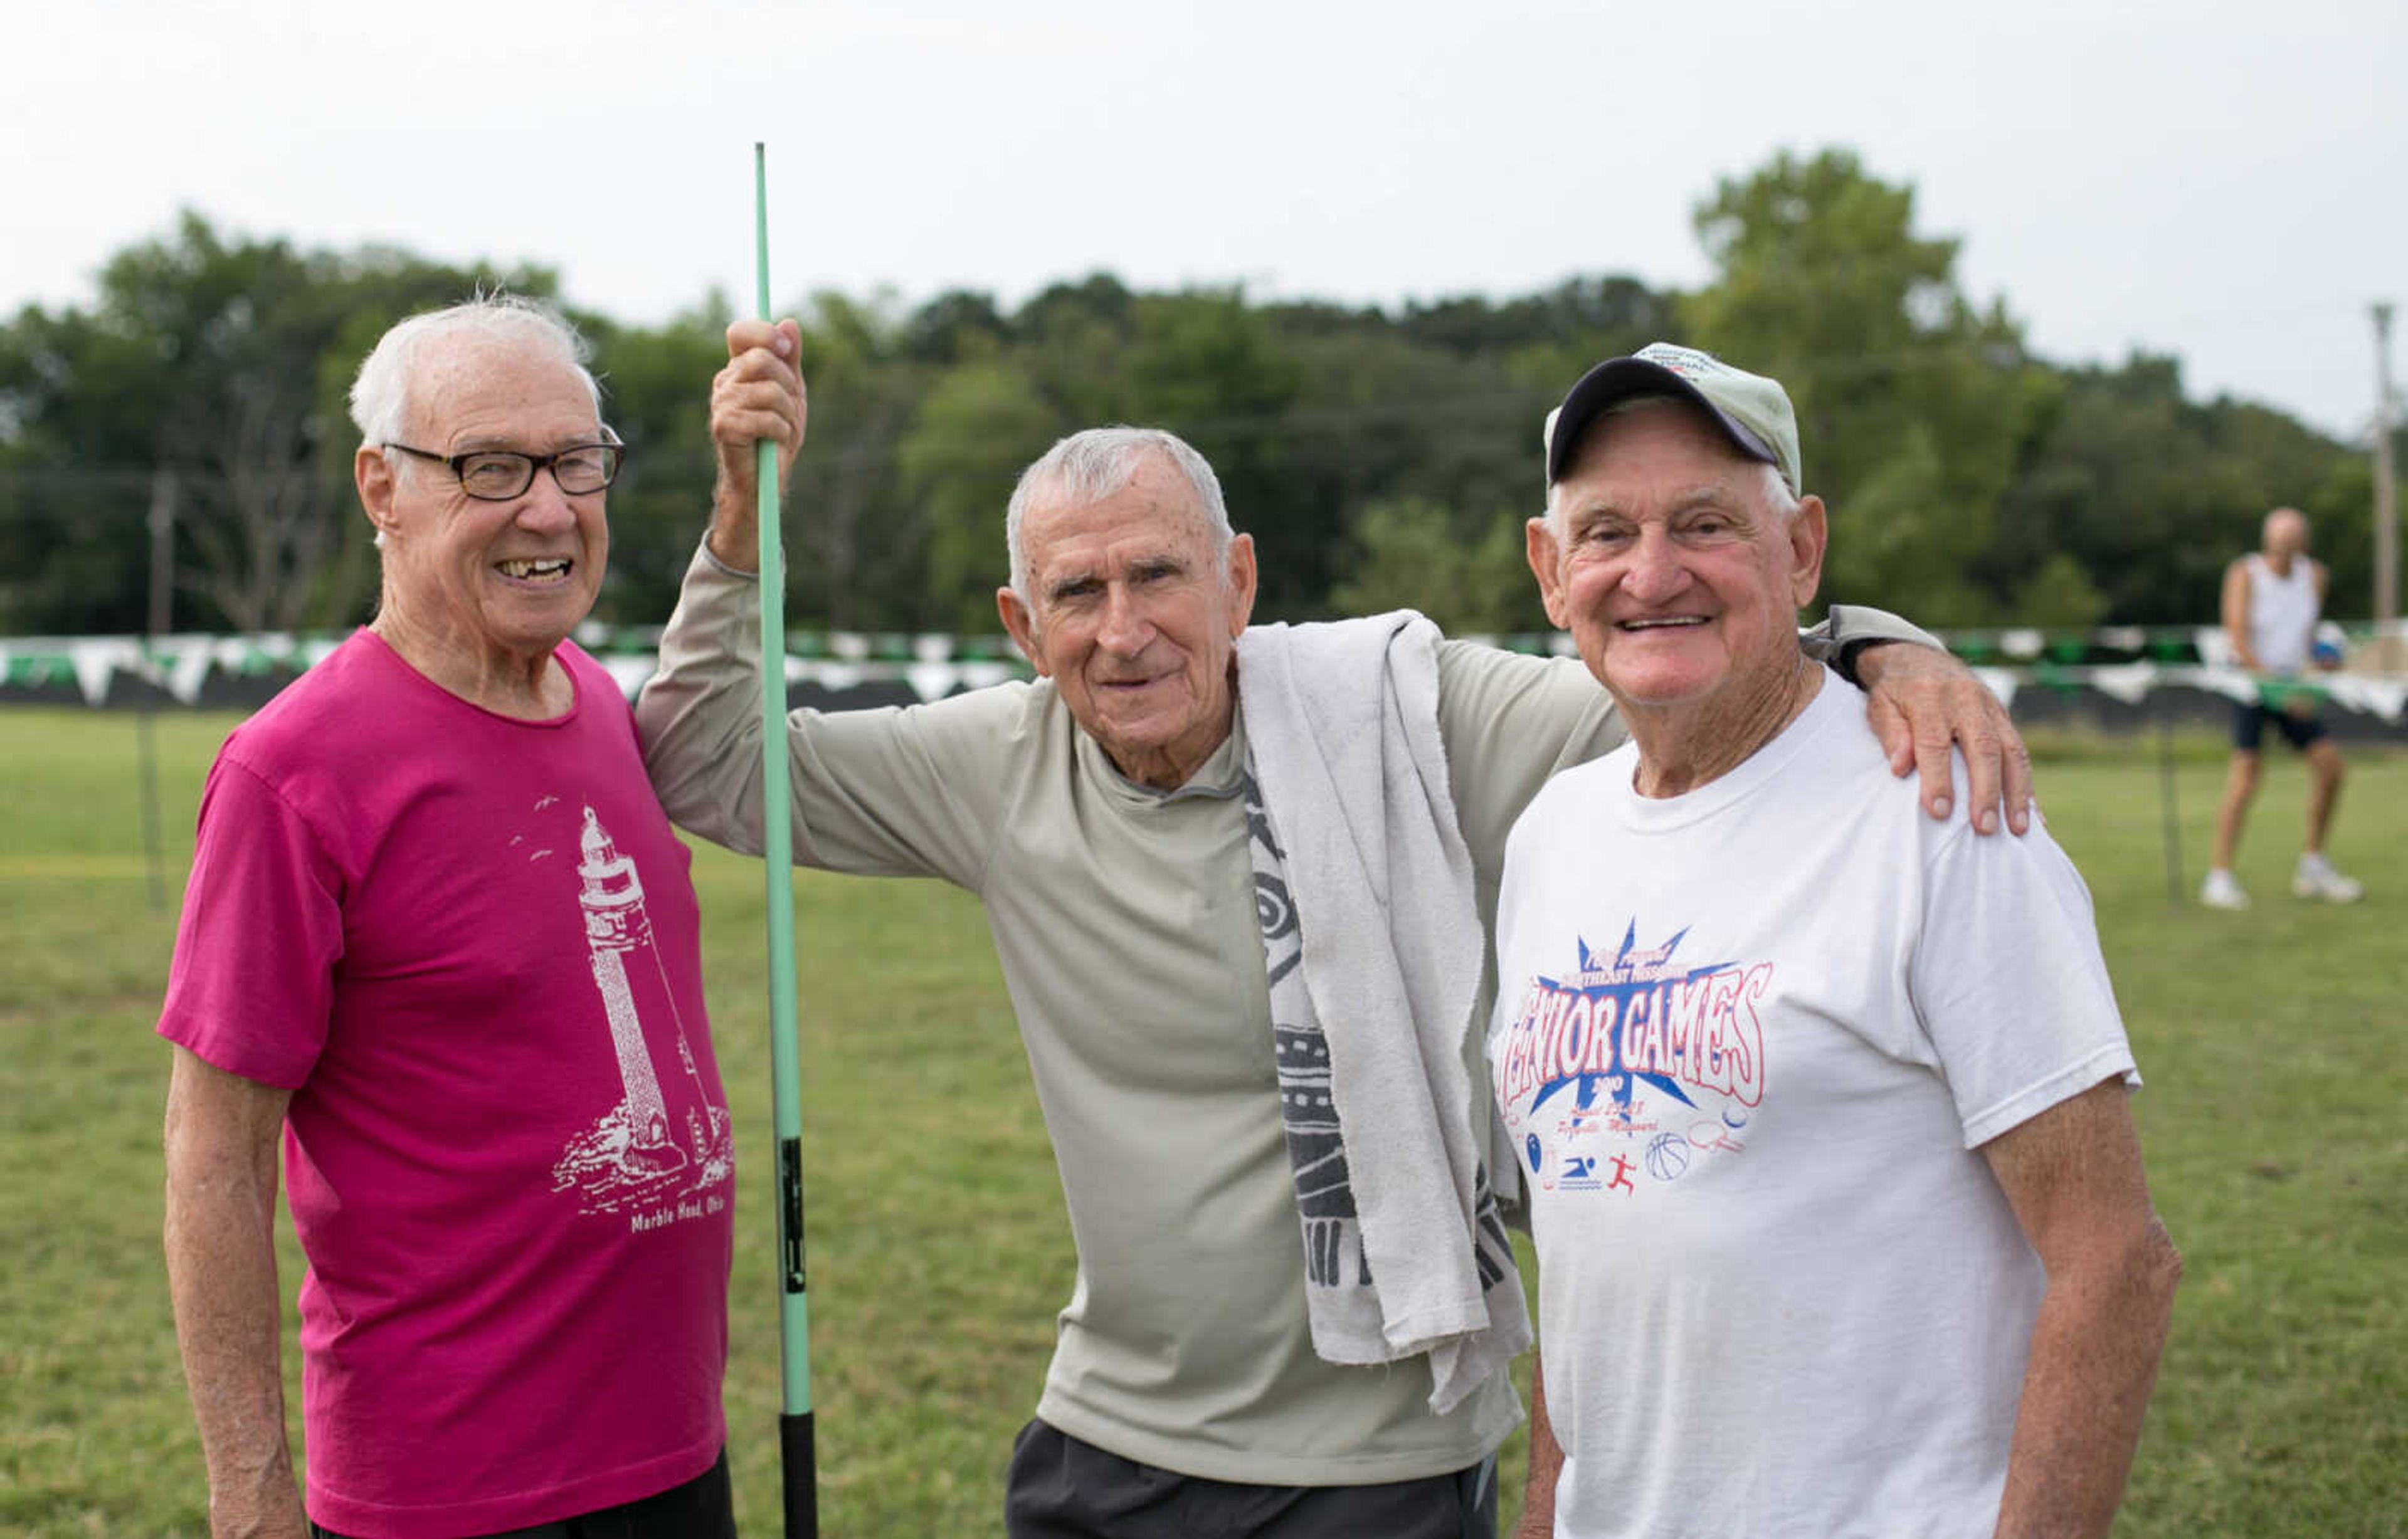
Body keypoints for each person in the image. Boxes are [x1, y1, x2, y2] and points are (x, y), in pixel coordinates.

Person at [636, 320, 2034, 1539]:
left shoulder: (1404, 717)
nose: (1123, 630)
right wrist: (734, 523)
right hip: (1106, 1437)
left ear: (1239, 580)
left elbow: (1680, 668)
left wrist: (1878, 644)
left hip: (1379, 1461)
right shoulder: (994, 767)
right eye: (1077, 592)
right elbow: (703, 759)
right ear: (1021, 623)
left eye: (1159, 576)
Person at [1497, 344, 2182, 1539]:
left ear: (1802, 549)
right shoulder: (1552, 835)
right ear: (1551, 570)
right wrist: (1553, 1508)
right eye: (1606, 532)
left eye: (1706, 522)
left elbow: (2115, 1259)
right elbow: (1595, 1235)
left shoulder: (1941, 815)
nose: (1653, 572)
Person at [159, 295, 738, 1539]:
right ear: (384, 487)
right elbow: (216, 1161)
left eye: (577, 462)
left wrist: (743, 498)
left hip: (676, 1459)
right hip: (447, 1493)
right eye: (491, 466)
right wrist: (253, 1501)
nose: (548, 508)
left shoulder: (596, 700)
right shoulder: (292, 772)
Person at [2202, 507, 2361, 908]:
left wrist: (2316, 670)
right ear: (2267, 540)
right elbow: (2237, 637)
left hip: (2293, 687)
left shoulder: (2316, 576)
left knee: (2331, 770)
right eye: (2279, 539)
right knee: (2246, 778)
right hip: (2253, 687)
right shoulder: (2245, 574)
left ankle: (2314, 866)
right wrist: (2277, 687)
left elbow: (2307, 637)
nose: (2285, 546)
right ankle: (2219, 877)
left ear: (2302, 541)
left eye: (2292, 538)